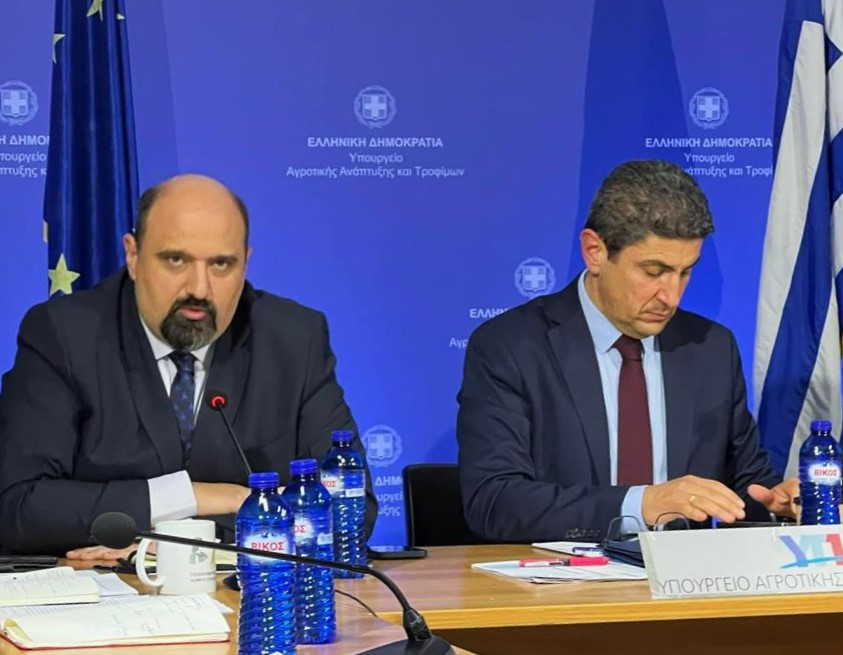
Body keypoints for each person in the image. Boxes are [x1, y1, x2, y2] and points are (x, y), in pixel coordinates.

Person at [0, 174, 377, 556]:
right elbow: (17, 507)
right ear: (133, 256)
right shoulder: (64, 335)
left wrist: (174, 546)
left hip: (246, 586)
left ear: (245, 263)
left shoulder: (293, 340)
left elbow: (350, 511)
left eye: (221, 264)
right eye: (176, 260)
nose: (198, 288)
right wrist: (197, 497)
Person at [456, 160, 796, 543]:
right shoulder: (512, 347)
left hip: (684, 577)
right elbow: (495, 501)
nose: (671, 296)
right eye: (654, 271)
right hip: (563, 577)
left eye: (685, 272)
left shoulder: (711, 348)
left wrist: (776, 503)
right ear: (594, 252)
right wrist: (641, 504)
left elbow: (746, 484)